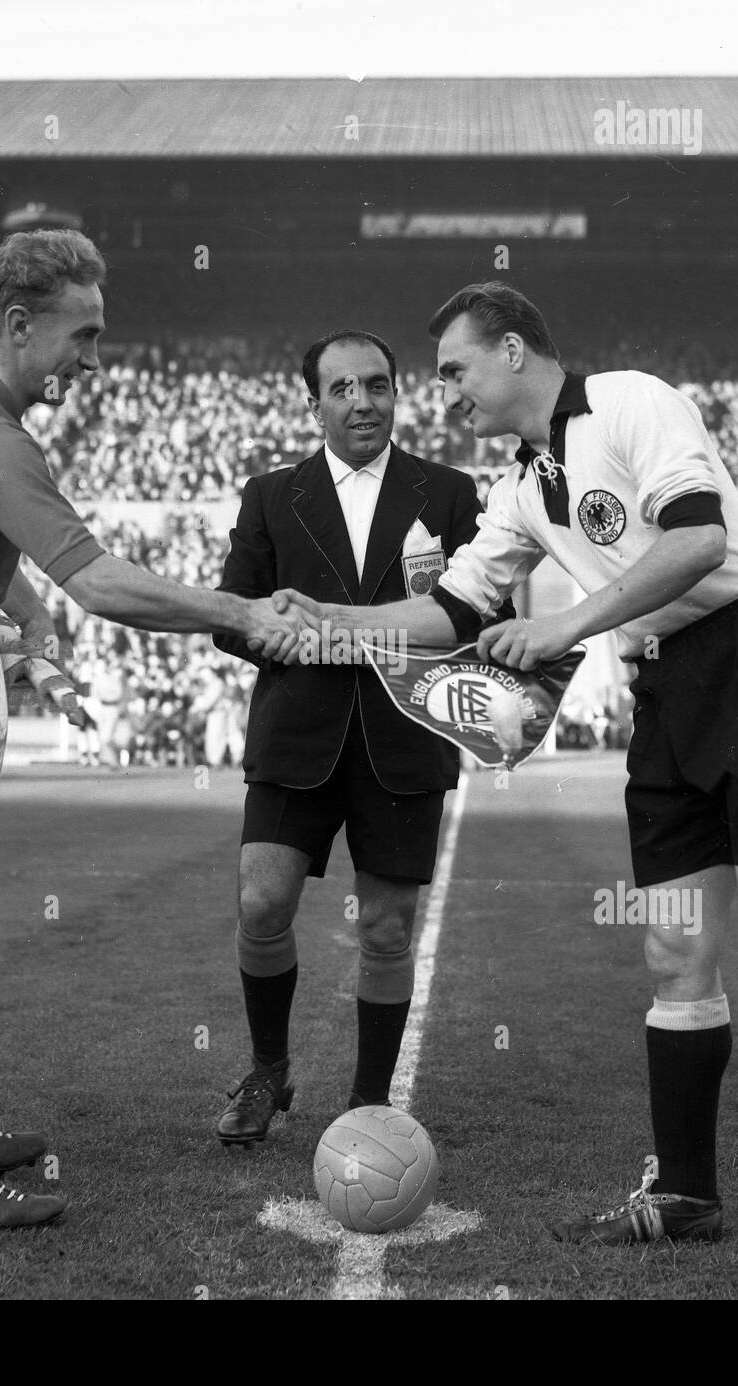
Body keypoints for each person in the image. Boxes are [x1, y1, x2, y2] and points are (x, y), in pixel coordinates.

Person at [274, 282, 738, 1277]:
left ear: (513, 351)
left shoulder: (631, 401)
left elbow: (698, 540)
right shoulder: (519, 487)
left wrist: (561, 624)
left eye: (455, 369)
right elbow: (454, 612)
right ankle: (685, 1194)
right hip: (667, 689)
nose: (448, 392)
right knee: (675, 948)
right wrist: (334, 623)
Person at [0, 229, 304, 1230]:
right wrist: (241, 613)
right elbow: (102, 580)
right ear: (19, 323)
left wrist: (34, 632)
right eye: (82, 334)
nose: (93, 357)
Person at [212, 329, 513, 1145]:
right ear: (313, 405)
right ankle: (268, 1072)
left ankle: (369, 1101)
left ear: (394, 396)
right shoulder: (270, 495)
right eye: (342, 388)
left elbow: (490, 613)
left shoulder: (448, 494)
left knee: (385, 928)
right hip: (294, 733)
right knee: (260, 901)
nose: (362, 402)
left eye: (376, 386)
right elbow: (231, 613)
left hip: (405, 739)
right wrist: (263, 635)